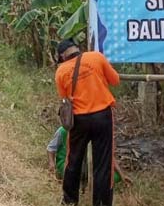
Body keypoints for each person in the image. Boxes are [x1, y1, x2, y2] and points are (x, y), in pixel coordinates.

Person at [54, 39, 120, 206]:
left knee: (73, 159)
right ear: (76, 48)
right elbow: (115, 80)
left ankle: (69, 201)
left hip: (78, 120)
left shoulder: (61, 71)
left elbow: (64, 99)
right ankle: (101, 203)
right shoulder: (96, 57)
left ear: (62, 55)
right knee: (103, 163)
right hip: (102, 116)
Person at [47, 126, 129, 185]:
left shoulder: (94, 132)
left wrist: (122, 175)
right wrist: (51, 163)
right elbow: (51, 148)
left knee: (115, 177)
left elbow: (108, 155)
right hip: (65, 163)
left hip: (89, 166)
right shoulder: (63, 131)